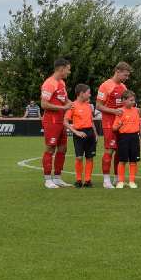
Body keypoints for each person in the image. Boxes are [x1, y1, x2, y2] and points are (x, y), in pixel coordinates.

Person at [96, 62, 131, 187]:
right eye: (125, 75)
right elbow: (98, 106)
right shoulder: (105, 86)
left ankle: (117, 178)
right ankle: (106, 180)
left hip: (121, 123)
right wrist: (114, 111)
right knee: (109, 150)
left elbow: (127, 104)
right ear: (117, 71)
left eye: (127, 76)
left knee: (120, 151)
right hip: (109, 122)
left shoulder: (124, 88)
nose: (126, 78)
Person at [40, 58, 73, 189]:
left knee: (63, 148)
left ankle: (58, 178)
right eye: (68, 69)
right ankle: (48, 180)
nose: (69, 72)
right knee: (50, 148)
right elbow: (44, 104)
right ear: (61, 68)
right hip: (51, 120)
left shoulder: (62, 83)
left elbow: (64, 100)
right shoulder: (49, 83)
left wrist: (74, 104)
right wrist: (63, 108)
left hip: (61, 120)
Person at [64, 84, 96, 188]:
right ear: (82, 94)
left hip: (90, 133)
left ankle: (87, 180)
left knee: (90, 157)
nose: (90, 94)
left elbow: (91, 121)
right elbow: (65, 122)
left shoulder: (89, 105)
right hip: (79, 134)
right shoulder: (72, 105)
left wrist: (95, 134)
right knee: (79, 157)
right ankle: (78, 180)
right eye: (88, 92)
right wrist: (76, 132)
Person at [113, 91, 141, 189]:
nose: (133, 102)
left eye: (134, 100)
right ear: (124, 101)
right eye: (131, 100)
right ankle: (120, 181)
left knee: (133, 161)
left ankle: (132, 181)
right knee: (122, 160)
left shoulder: (136, 111)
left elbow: (139, 125)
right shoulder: (120, 111)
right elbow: (114, 128)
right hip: (124, 138)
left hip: (135, 137)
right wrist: (119, 124)